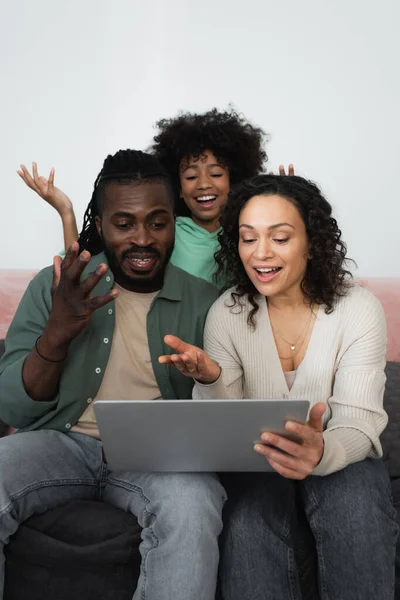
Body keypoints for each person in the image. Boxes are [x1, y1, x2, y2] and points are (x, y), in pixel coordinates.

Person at [158, 174, 399, 599]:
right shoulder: (227, 313)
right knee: (248, 519)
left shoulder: (358, 309)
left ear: (312, 242)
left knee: (356, 507)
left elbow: (361, 420)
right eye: (248, 239)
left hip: (339, 451)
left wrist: (323, 450)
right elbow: (224, 428)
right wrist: (212, 380)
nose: (261, 254)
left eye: (280, 237)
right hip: (258, 458)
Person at [0, 150, 227, 600]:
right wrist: (57, 335)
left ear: (173, 222)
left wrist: (207, 378)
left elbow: (228, 409)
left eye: (158, 222)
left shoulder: (207, 301)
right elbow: (13, 408)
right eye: (124, 224)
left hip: (159, 458)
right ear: (101, 226)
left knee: (194, 501)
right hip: (60, 442)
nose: (142, 238)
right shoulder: (56, 285)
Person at [18, 107, 275, 284]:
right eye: (191, 176)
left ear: (235, 181)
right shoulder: (165, 232)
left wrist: (284, 200)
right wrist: (66, 211)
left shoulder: (245, 234)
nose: (204, 184)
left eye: (216, 174)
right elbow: (78, 273)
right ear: (177, 190)